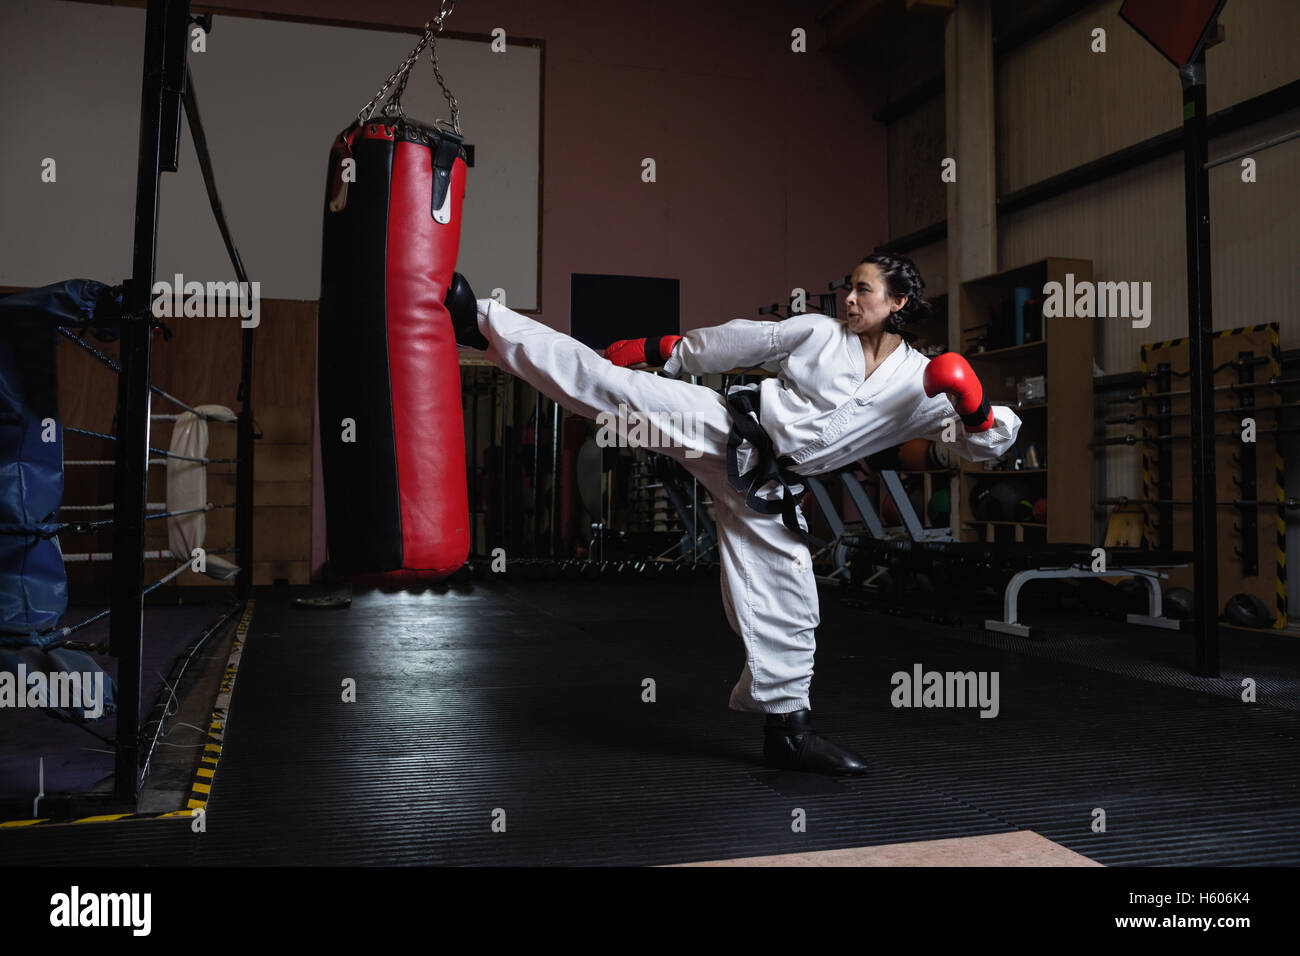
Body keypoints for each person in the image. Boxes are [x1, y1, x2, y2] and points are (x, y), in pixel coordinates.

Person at [443, 254, 1020, 774]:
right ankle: (482, 323)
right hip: (727, 430)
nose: (849, 298)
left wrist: (974, 408)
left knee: (792, 597)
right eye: (848, 287)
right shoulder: (819, 332)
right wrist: (662, 350)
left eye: (864, 290)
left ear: (897, 303)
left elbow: (990, 445)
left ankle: (788, 732)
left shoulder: (923, 384)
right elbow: (747, 340)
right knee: (612, 389)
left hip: (771, 490)